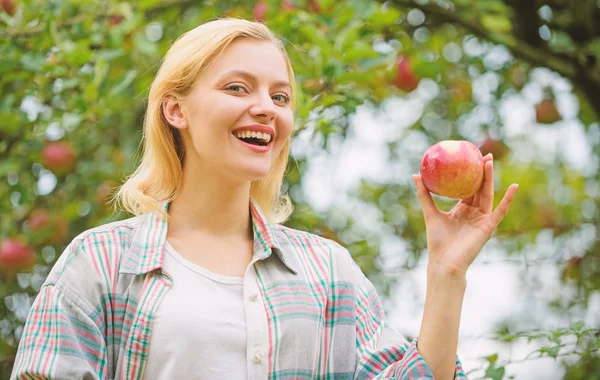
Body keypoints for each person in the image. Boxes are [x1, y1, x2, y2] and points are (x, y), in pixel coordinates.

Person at [11, 18, 518, 380]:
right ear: (175, 110)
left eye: (280, 97)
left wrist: (446, 273)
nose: (265, 109)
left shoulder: (327, 273)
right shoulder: (101, 262)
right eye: (237, 88)